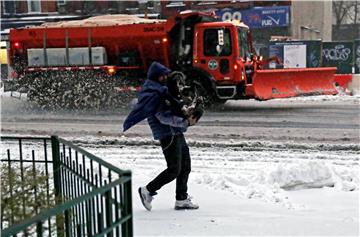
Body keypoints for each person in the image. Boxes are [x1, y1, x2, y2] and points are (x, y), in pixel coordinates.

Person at [123, 61, 199, 211]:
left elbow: (173, 106)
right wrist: (185, 123)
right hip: (167, 134)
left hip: (175, 132)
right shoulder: (153, 93)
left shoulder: (162, 89)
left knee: (185, 166)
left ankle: (181, 199)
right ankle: (147, 190)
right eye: (163, 76)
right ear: (157, 76)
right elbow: (163, 117)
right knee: (174, 169)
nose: (166, 78)